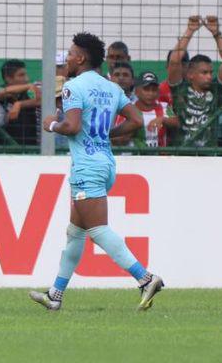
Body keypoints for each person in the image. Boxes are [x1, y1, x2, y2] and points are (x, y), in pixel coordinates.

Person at [31, 32, 163, 312]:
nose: (66, 58)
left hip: (86, 166)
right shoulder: (111, 87)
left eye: (69, 53)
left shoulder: (73, 87)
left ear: (80, 57)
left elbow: (73, 127)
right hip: (105, 163)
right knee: (75, 232)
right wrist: (106, 134)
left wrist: (51, 124)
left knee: (98, 230)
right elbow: (136, 120)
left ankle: (145, 278)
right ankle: (55, 294)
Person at [166, 15, 222, 147]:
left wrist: (216, 33)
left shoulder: (215, 90)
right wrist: (190, 31)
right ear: (191, 74)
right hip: (181, 155)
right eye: (204, 73)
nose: (209, 76)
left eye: (210, 73)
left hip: (208, 156)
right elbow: (174, 61)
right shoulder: (180, 89)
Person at [114, 72, 175, 149]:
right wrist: (130, 131)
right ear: (136, 91)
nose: (150, 93)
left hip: (161, 158)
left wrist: (163, 119)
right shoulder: (127, 109)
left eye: (154, 90)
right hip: (133, 158)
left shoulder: (164, 107)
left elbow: (178, 122)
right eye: (146, 89)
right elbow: (116, 138)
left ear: (158, 92)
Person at [0, 60, 40, 148]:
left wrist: (19, 104)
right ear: (8, 78)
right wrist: (28, 86)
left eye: (25, 75)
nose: (27, 79)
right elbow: (0, 93)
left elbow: (40, 100)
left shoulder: (28, 93)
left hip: (30, 147)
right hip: (4, 148)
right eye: (21, 75)